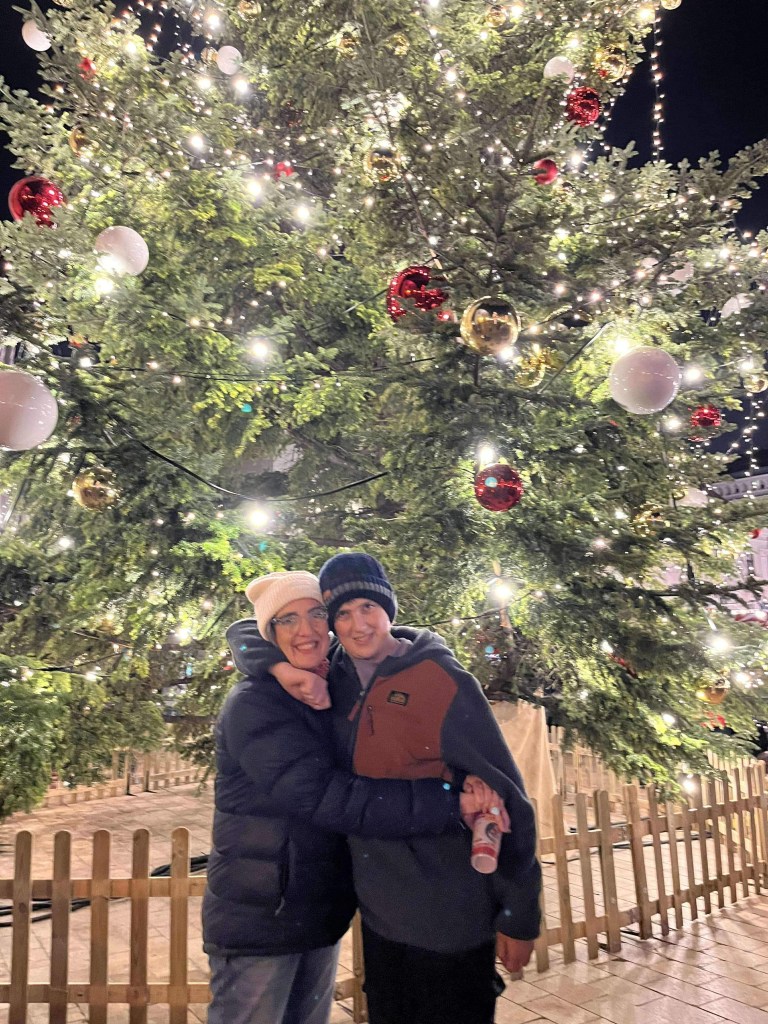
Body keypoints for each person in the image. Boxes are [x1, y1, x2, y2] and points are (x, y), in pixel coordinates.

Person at [228, 553, 542, 1024]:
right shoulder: (331, 673)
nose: (358, 626)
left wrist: (520, 912)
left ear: (389, 609)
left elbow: (507, 798)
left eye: (368, 608)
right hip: (380, 917)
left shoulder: (442, 681)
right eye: (343, 614)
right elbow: (250, 632)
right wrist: (278, 667)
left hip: (450, 915)